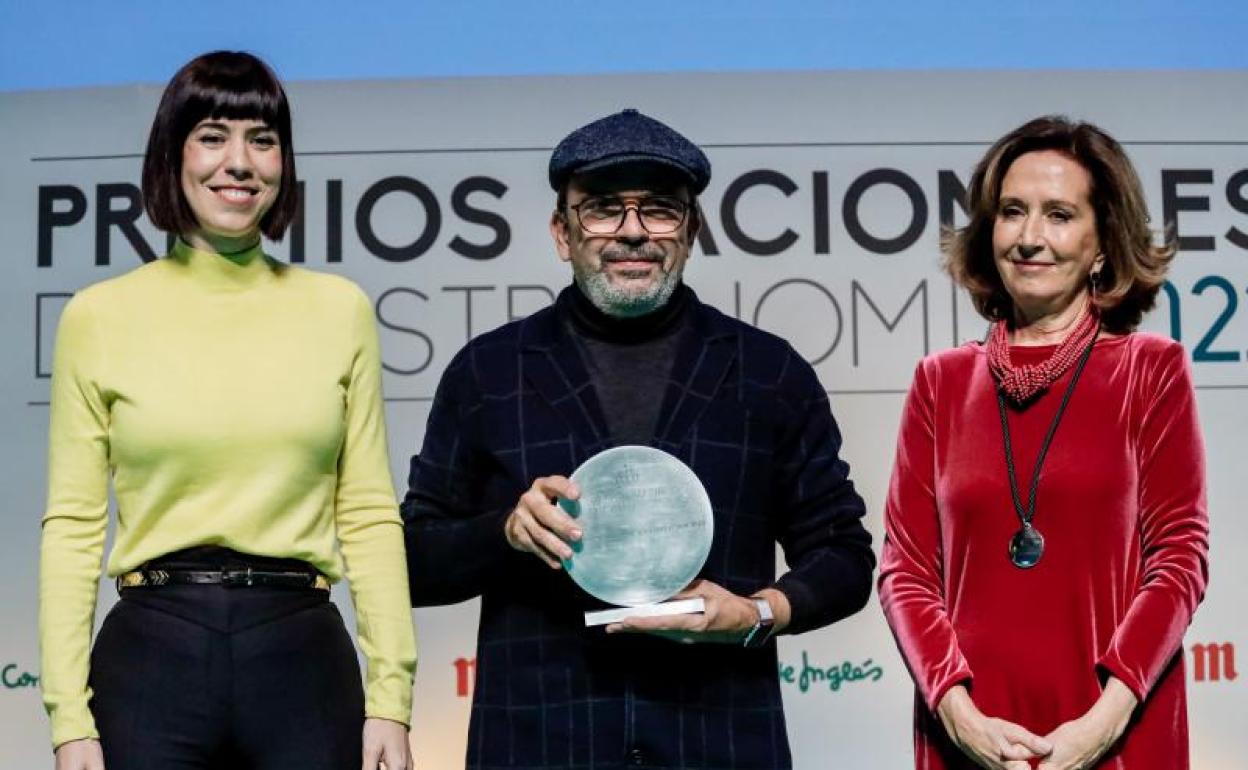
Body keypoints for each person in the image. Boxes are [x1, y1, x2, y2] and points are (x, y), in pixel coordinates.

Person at [401, 108, 875, 769]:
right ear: (562, 232)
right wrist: (505, 533)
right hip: (537, 746)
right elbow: (412, 563)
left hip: (720, 743)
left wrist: (758, 613)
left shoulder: (769, 374)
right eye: (601, 209)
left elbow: (844, 556)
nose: (632, 232)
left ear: (692, 232)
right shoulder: (488, 372)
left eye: (659, 209)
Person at [39, 51, 415, 770]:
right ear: (173, 154)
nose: (240, 162)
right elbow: (74, 527)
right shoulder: (99, 316)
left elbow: (367, 512)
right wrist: (68, 718)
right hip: (152, 654)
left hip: (302, 656)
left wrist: (391, 696)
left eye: (262, 139)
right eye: (213, 135)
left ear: (284, 161)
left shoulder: (340, 310)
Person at [878, 115, 1209, 770]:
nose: (1030, 238)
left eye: (1059, 215)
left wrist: (1103, 722)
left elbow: (1179, 559)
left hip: (1115, 729)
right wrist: (956, 710)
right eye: (1011, 212)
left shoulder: (1151, 370)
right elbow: (905, 570)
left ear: (1103, 244)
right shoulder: (940, 383)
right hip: (971, 735)